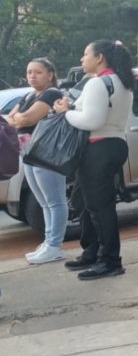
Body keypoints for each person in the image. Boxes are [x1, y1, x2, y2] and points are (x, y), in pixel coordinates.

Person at [55, 40, 135, 280]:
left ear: (99, 58)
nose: (82, 59)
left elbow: (92, 121)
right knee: (83, 201)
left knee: (100, 208)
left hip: (98, 148)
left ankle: (110, 261)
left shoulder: (98, 83)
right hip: (114, 145)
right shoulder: (121, 82)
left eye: (85, 54)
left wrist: (65, 112)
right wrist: (72, 107)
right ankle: (92, 251)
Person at [8, 58, 67, 264]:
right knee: (43, 202)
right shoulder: (29, 95)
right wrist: (18, 118)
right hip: (29, 154)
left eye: (38, 72)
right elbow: (10, 119)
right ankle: (48, 241)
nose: (32, 76)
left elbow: (25, 120)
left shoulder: (52, 94)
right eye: (29, 72)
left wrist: (19, 118)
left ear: (50, 74)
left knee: (55, 201)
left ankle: (54, 245)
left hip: (46, 154)